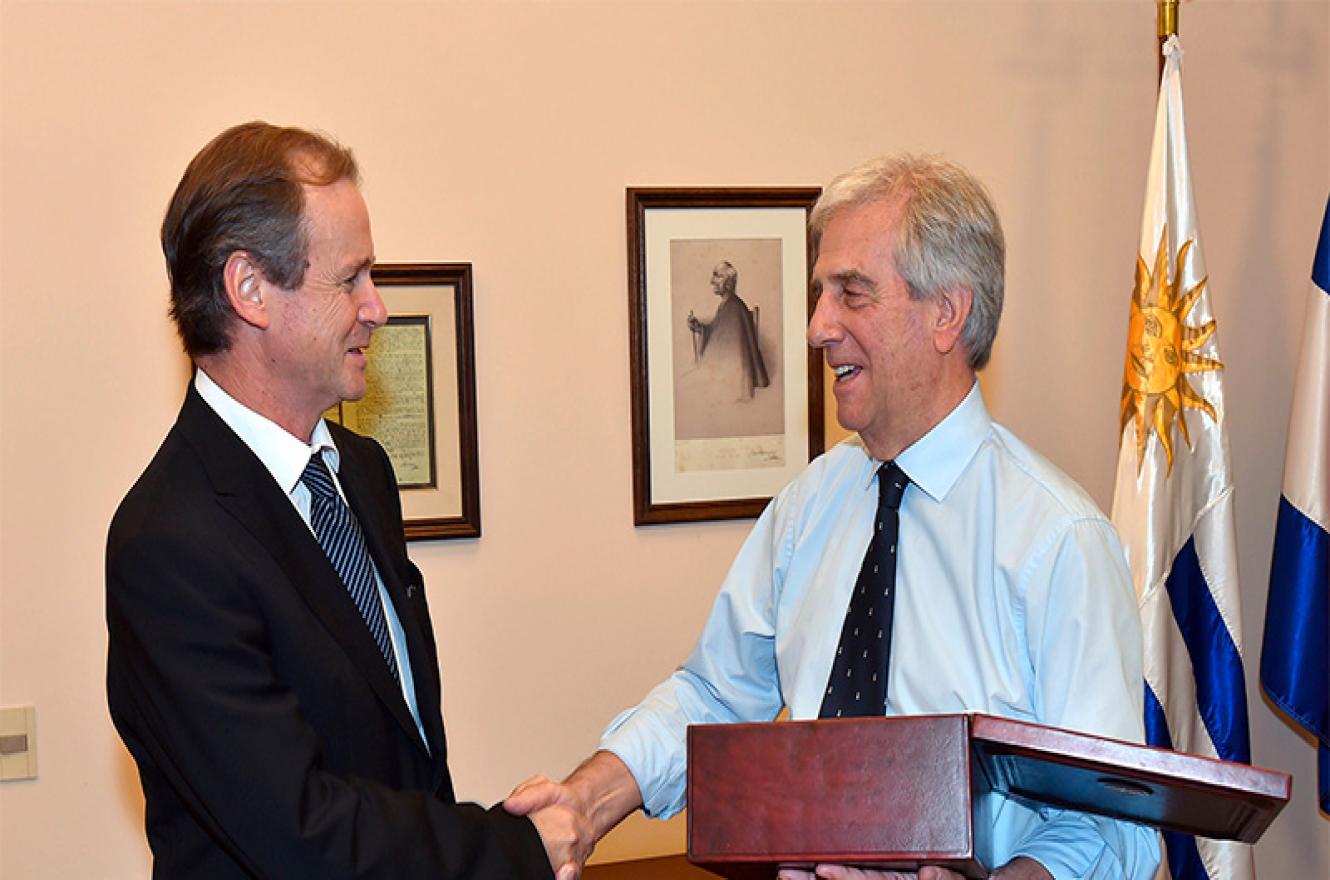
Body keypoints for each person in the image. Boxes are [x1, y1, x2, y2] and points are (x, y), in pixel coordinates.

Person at [505, 155, 1160, 880]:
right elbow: (714, 694)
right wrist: (586, 803)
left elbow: (1115, 828)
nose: (817, 328)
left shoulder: (1058, 542)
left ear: (947, 312)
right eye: (819, 296)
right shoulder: (809, 507)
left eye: (852, 294)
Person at [106, 122, 588, 879]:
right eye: (351, 279)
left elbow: (403, 754)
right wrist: (507, 851)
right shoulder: (169, 544)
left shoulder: (359, 472)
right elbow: (299, 834)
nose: (378, 307)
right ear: (250, 289)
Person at [686, 261, 770, 399]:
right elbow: (717, 332)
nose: (711, 281)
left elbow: (723, 350)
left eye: (717, 276)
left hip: (731, 384)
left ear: (729, 282)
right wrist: (700, 327)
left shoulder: (733, 308)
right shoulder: (727, 305)